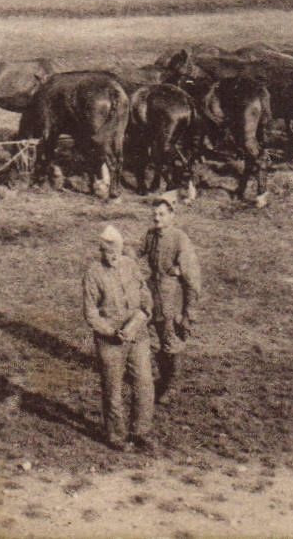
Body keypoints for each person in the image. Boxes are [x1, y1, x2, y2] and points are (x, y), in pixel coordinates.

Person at [82, 223, 155, 452]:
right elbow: (91, 313)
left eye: (114, 250)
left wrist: (143, 316)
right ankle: (116, 436)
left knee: (144, 383)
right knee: (113, 389)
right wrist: (110, 332)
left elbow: (145, 295)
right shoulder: (93, 274)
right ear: (100, 251)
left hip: (138, 335)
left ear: (122, 250)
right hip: (110, 341)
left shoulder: (131, 266)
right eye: (105, 251)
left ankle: (140, 432)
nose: (111, 255)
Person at [141, 193, 201, 408]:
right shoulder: (150, 235)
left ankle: (172, 384)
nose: (157, 218)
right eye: (154, 214)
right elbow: (137, 252)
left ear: (172, 215)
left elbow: (192, 279)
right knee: (152, 339)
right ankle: (160, 377)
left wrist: (188, 312)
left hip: (170, 299)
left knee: (170, 340)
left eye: (162, 214)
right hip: (152, 296)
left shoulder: (179, 239)